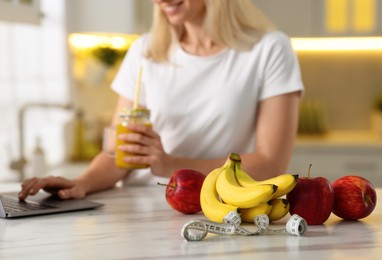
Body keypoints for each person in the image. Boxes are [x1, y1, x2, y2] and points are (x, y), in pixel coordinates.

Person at [18, 0, 304, 200]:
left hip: (221, 207)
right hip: (140, 206)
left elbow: (271, 163)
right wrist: (80, 183)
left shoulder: (269, 49)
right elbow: (119, 153)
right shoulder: (146, 50)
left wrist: (170, 164)